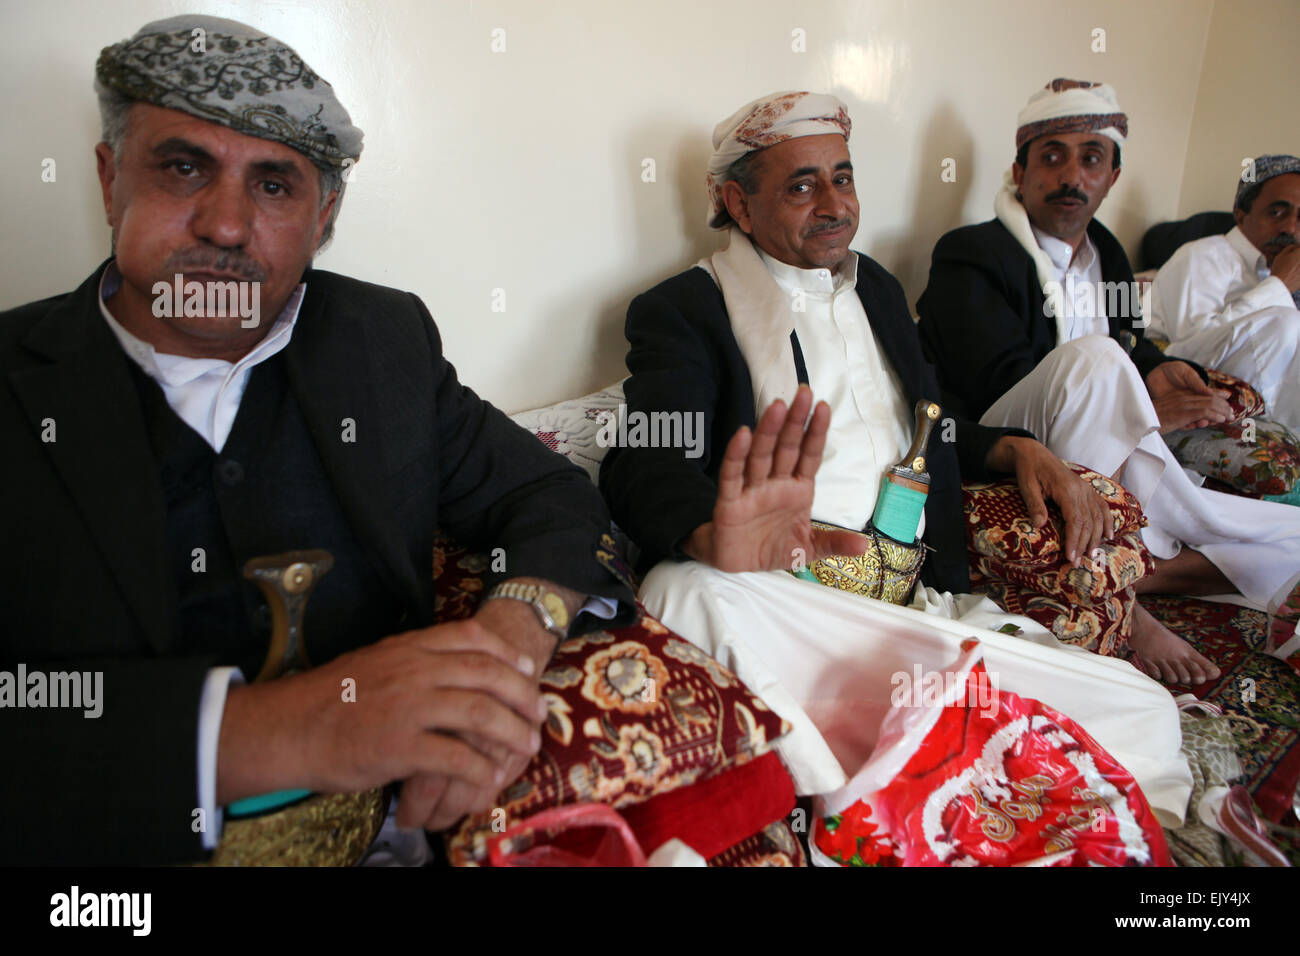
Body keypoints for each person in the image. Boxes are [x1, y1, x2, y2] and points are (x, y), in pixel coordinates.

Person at [0, 14, 633, 865]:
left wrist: (506, 643)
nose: (226, 227)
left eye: (273, 185)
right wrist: (273, 733)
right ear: (111, 179)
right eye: (184, 167)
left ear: (324, 214)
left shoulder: (381, 340)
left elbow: (550, 497)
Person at [598, 91, 1189, 816]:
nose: (835, 205)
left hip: (914, 610)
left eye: (841, 178)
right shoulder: (687, 308)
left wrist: (1010, 447)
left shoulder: (875, 285)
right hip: (789, 603)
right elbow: (642, 457)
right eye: (802, 185)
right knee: (682, 591)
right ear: (737, 203)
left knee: (1145, 711)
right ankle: (870, 780)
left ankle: (889, 764)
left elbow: (928, 422)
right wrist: (711, 533)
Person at [916, 78, 1300, 685]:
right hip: (1008, 439)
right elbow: (994, 378)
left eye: (1091, 158)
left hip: (1102, 445)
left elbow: (1128, 336)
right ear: (1020, 171)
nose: (1072, 176)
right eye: (1052, 157)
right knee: (1094, 361)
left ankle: (1131, 570)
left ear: (1111, 176)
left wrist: (1159, 367)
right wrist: (1140, 392)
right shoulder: (972, 254)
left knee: (1294, 534)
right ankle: (1124, 602)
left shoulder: (1108, 256)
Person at [1148, 154, 1300, 433]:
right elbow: (1188, 349)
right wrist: (1278, 286)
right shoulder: (1203, 256)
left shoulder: (1277, 273)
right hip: (1192, 400)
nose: (1291, 228)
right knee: (1286, 322)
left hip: (1279, 420)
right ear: (1241, 215)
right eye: (1277, 212)